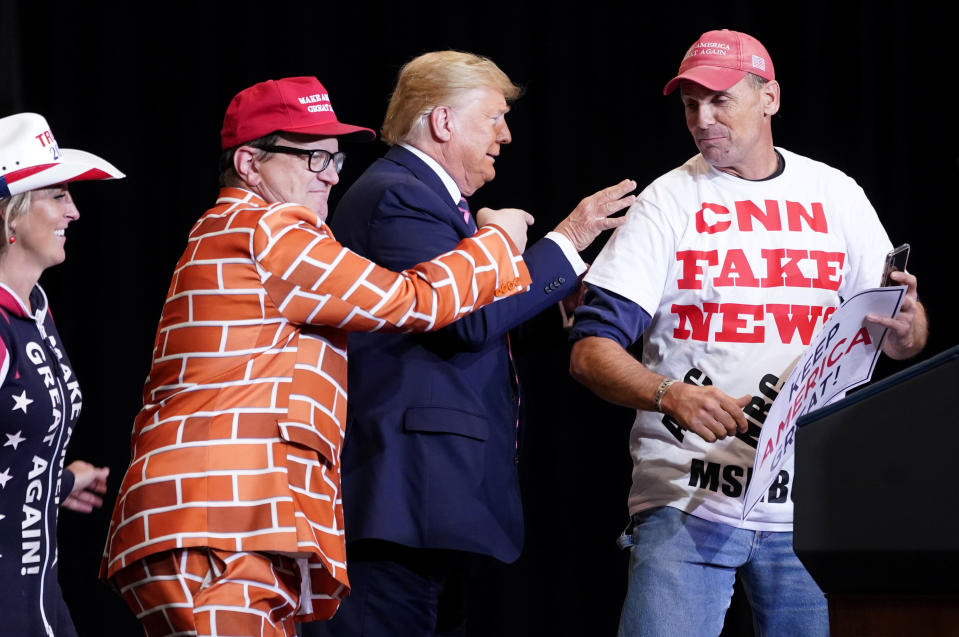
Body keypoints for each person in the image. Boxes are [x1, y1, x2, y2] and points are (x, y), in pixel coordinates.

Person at [99, 75, 542, 637]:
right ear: (249, 164)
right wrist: (498, 241)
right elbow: (417, 300)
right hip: (223, 526)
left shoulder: (227, 230)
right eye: (311, 158)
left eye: (333, 159)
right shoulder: (269, 228)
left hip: (227, 523)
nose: (331, 174)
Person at [568, 29, 928, 637]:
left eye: (719, 100)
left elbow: (902, 340)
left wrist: (908, 323)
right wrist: (667, 393)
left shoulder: (834, 194)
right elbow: (590, 351)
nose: (702, 120)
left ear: (770, 98)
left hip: (810, 505)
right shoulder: (669, 202)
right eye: (690, 105)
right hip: (688, 496)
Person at [308, 51, 636, 637]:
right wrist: (569, 239)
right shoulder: (395, 194)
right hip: (401, 498)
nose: (505, 136)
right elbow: (465, 317)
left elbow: (472, 325)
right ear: (443, 122)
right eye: (494, 118)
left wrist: (555, 302)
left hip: (437, 503)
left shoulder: (428, 200)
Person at [0, 112, 120, 636]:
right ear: (11, 216)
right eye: (57, 196)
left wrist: (53, 478)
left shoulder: (36, 308)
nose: (73, 212)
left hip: (36, 593)